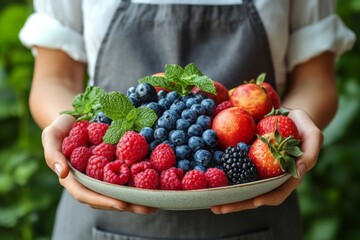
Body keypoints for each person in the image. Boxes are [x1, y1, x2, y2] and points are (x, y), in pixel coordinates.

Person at [19, 0, 355, 239]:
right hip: (101, 208)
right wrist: (73, 130)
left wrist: (291, 126)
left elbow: (316, 80)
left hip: (257, 208)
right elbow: (55, 78)